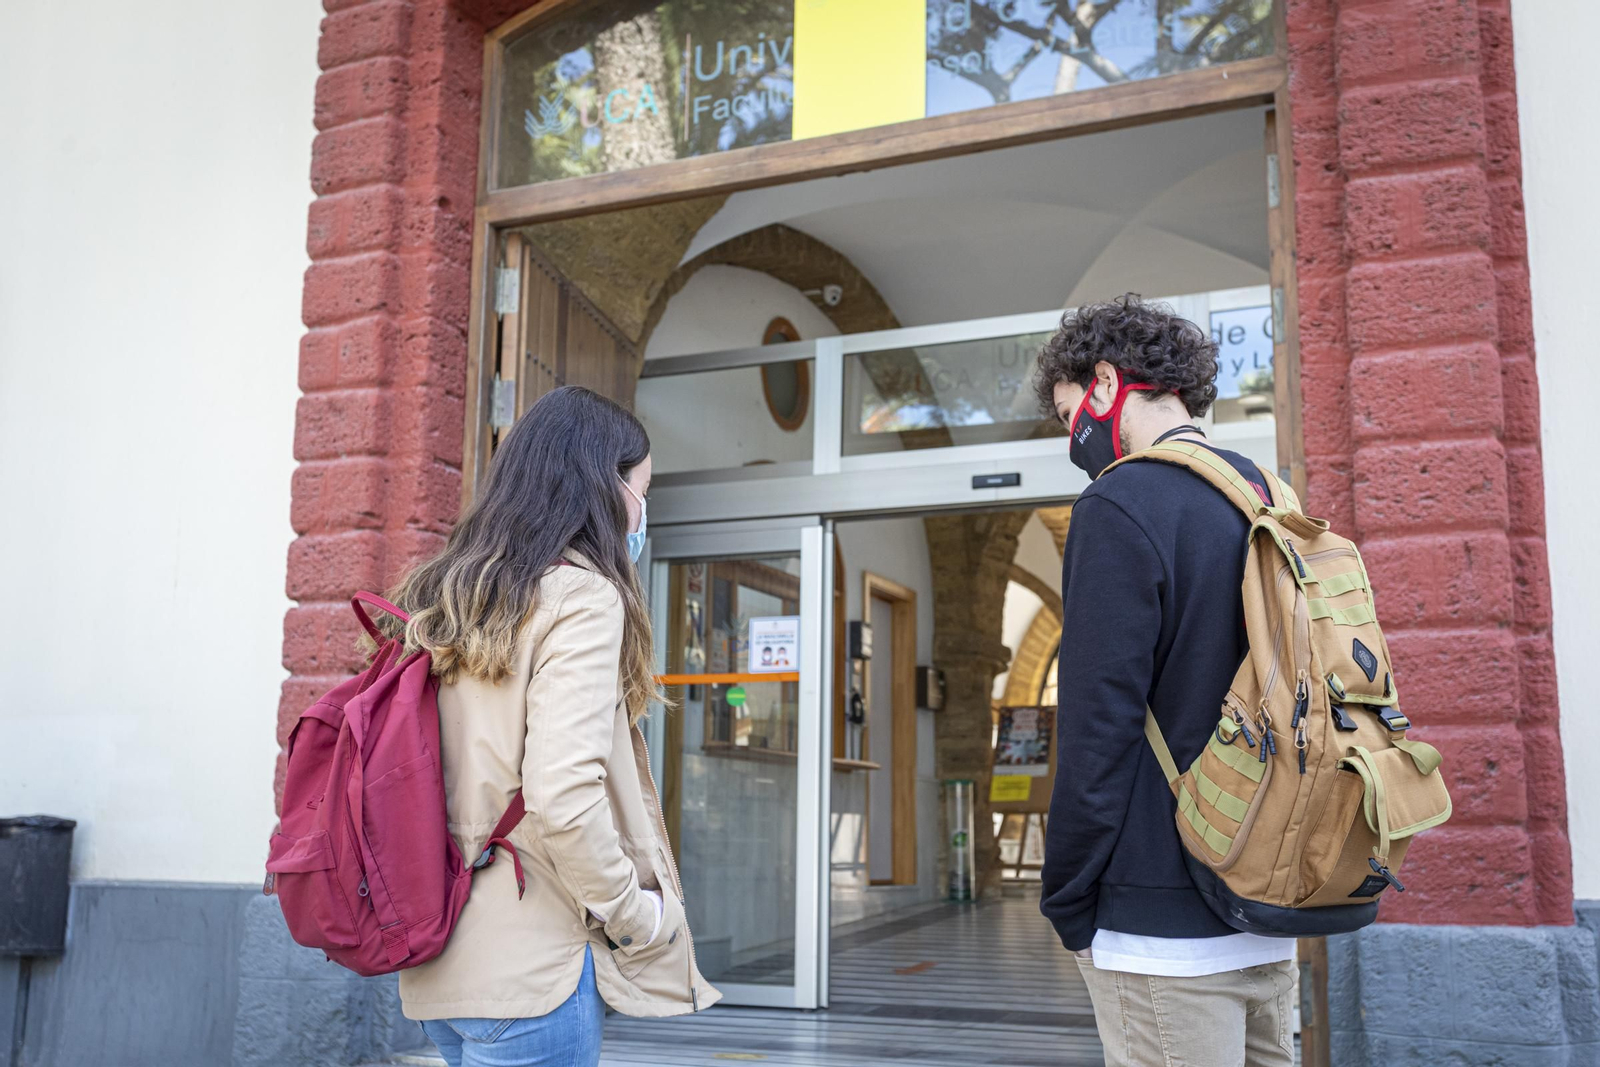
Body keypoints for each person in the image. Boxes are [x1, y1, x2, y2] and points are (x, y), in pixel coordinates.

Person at [391, 385, 720, 1066]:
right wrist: (636, 917)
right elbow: (563, 795)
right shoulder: (581, 597)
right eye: (642, 489)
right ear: (605, 488)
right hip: (534, 969)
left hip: (440, 967)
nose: (642, 510)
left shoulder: (448, 594)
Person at [1034, 296, 1294, 1067]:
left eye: (1067, 410)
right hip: (1264, 903)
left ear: (1108, 384)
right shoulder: (1268, 496)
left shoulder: (1119, 502)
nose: (1070, 434)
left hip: (1159, 929)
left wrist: (1069, 896)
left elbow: (1096, 730)